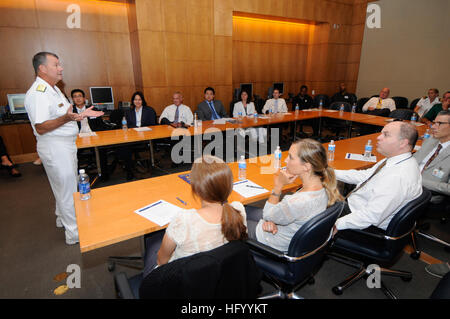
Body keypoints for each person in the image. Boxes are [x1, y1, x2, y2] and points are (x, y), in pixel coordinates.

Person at [24, 52, 103, 245]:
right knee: (68, 190)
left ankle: (61, 218)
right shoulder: (39, 93)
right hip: (55, 147)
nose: (61, 68)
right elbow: (41, 127)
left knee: (62, 186)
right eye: (56, 65)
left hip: (64, 145)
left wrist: (79, 115)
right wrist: (67, 118)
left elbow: (62, 115)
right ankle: (74, 233)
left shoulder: (54, 90)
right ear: (42, 68)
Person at [142, 155, 248, 277]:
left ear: (195, 189)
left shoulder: (183, 221)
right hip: (222, 279)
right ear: (229, 186)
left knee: (152, 241)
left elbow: (161, 261)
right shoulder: (238, 210)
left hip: (184, 284)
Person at [245, 139, 343, 252]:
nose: (286, 160)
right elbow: (274, 214)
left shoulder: (295, 202)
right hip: (287, 230)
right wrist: (272, 218)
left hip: (274, 242)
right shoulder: (323, 188)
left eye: (291, 157)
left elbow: (267, 214)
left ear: (306, 167)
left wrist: (278, 186)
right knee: (245, 210)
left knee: (229, 222)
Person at [332, 121, 422, 233]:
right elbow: (364, 176)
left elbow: (371, 215)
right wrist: (330, 172)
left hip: (363, 224)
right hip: (357, 209)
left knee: (312, 207)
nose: (378, 137)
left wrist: (336, 224)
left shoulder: (398, 176)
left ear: (403, 143)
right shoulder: (395, 160)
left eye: (386, 134)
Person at [71, 88, 111, 181]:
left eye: (80, 96)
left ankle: (104, 176)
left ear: (84, 98)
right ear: (72, 99)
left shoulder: (93, 109)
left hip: (93, 136)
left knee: (101, 150)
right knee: (72, 154)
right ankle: (76, 178)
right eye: (75, 97)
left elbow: (101, 126)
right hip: (77, 138)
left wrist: (97, 136)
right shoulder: (70, 112)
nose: (78, 99)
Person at [119, 91, 157, 180]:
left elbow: (152, 125)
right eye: (135, 99)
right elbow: (126, 125)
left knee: (127, 147)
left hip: (146, 137)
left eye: (139, 99)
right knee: (124, 146)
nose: (137, 101)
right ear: (133, 101)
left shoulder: (149, 110)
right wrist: (135, 129)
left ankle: (135, 167)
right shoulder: (129, 112)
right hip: (133, 136)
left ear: (142, 101)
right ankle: (130, 170)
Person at [414, 110, 450, 203]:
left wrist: (418, 181)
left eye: (439, 123)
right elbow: (415, 159)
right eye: (434, 122)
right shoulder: (431, 139)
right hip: (406, 184)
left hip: (426, 196)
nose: (433, 126)